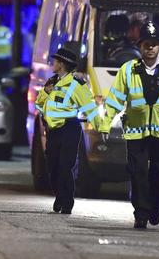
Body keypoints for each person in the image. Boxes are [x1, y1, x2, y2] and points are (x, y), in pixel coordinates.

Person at [101, 21, 159, 229]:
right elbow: (114, 99)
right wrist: (105, 123)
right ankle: (141, 214)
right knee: (138, 174)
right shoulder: (129, 70)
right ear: (139, 46)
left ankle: (155, 204)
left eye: (154, 44)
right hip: (136, 133)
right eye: (146, 44)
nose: (150, 48)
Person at [35, 47, 103, 214]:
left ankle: (66, 202)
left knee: (65, 166)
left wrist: (101, 126)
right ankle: (60, 196)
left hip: (69, 128)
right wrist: (45, 92)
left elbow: (89, 107)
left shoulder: (76, 85)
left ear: (63, 65)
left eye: (56, 61)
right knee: (52, 167)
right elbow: (38, 104)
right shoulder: (51, 82)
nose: (53, 63)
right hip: (52, 130)